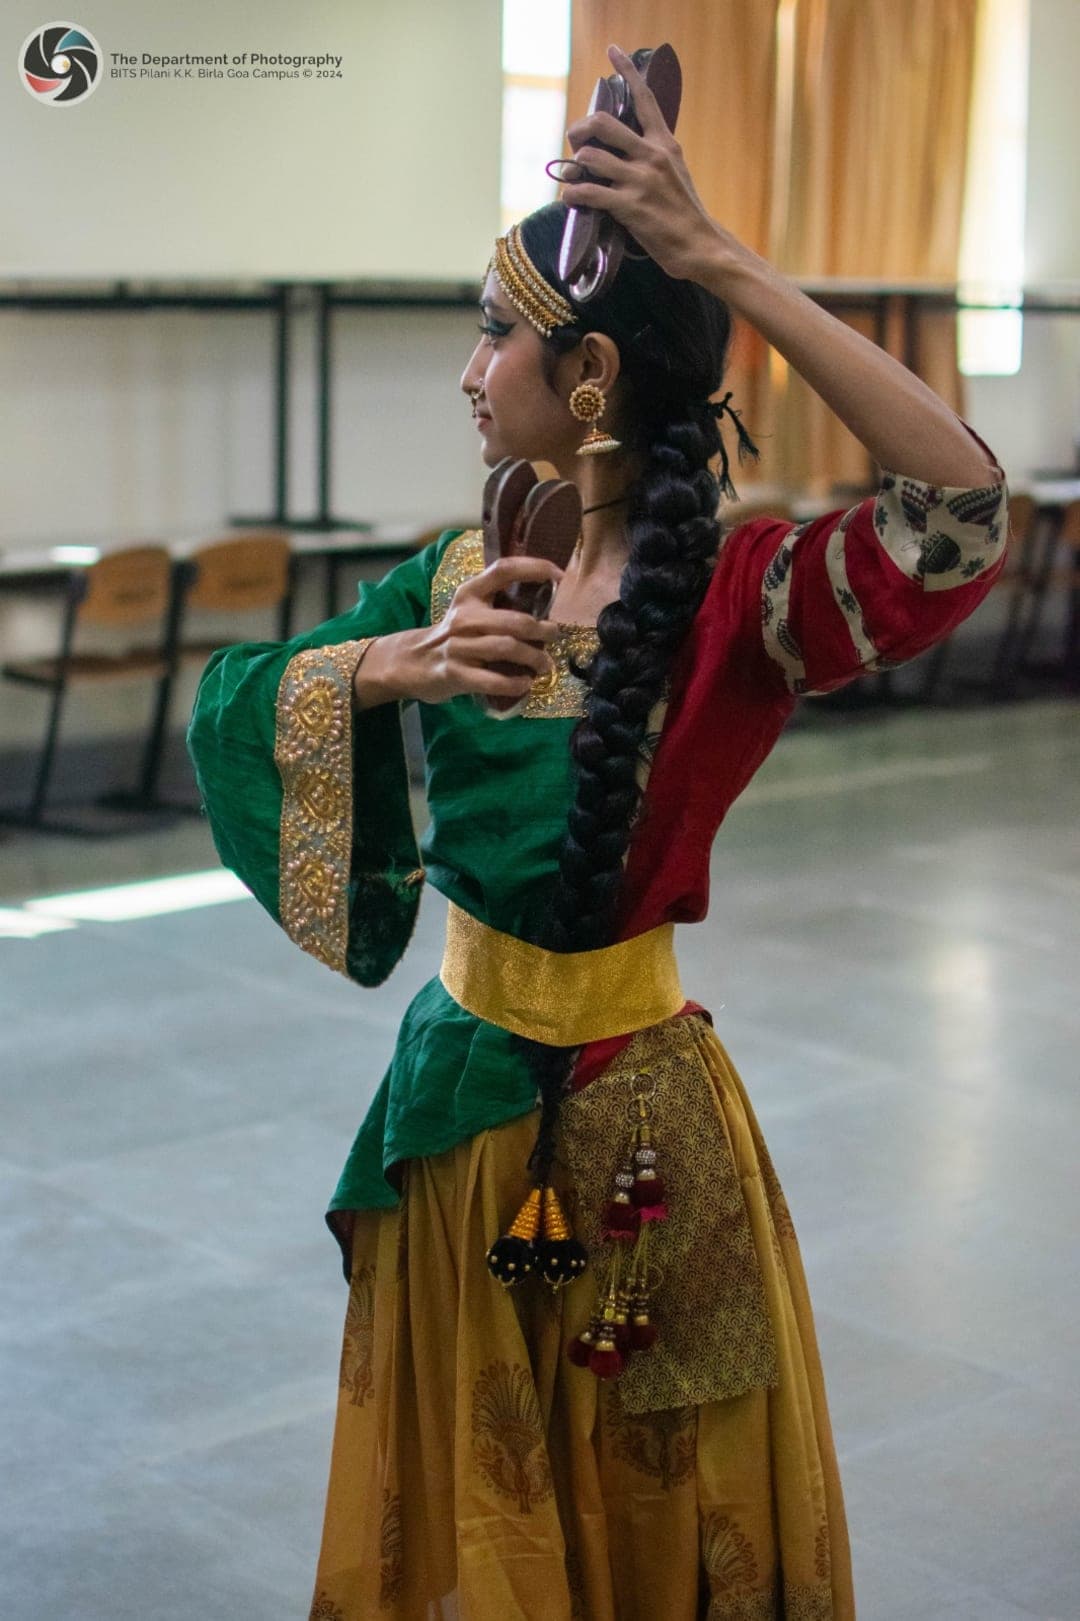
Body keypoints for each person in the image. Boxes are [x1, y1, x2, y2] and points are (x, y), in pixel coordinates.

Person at [187, 45, 1008, 1621]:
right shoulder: (456, 582)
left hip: (644, 1132)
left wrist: (724, 263)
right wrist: (394, 663)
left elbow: (959, 513)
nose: (467, 367)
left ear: (590, 378)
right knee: (480, 1497)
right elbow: (235, 701)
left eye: (494, 330)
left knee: (658, 1484)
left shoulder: (739, 603)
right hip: (460, 1111)